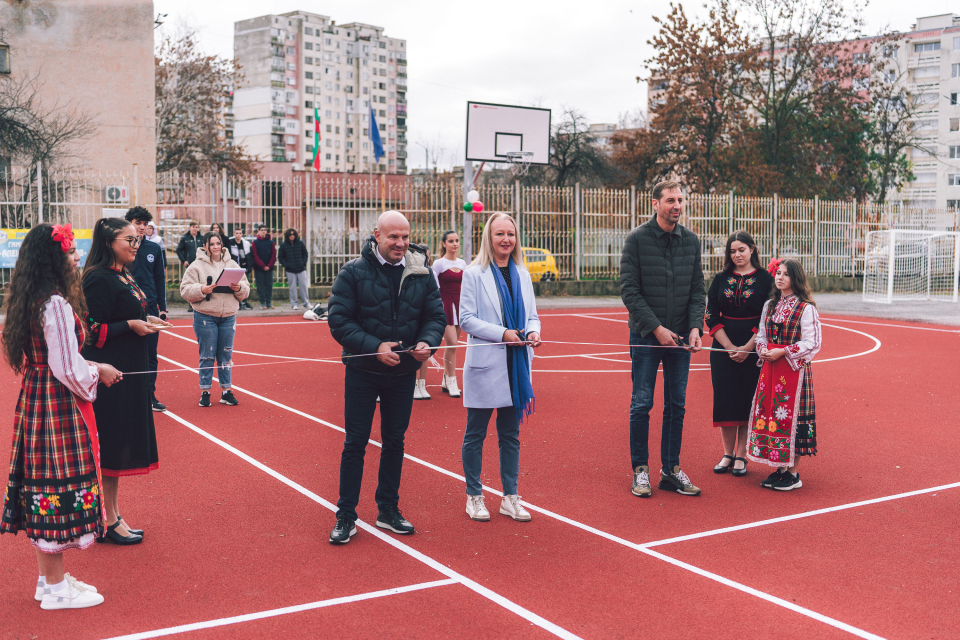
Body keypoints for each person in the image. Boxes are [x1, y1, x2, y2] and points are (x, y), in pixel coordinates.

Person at [0, 224, 122, 609]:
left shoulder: (32, 299)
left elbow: (55, 360)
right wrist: (97, 371)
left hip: (37, 396)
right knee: (54, 485)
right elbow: (67, 368)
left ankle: (48, 579)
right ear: (53, 259)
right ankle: (54, 588)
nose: (75, 258)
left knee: (42, 484)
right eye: (69, 252)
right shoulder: (54, 303)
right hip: (56, 403)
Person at [326, 210, 445, 544]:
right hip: (363, 371)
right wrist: (375, 347)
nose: (401, 243)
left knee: (395, 442)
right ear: (376, 235)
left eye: (405, 237)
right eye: (394, 237)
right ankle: (346, 515)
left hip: (403, 372)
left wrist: (427, 344)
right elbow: (339, 321)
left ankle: (387, 510)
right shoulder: (353, 271)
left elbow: (435, 315)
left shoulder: (420, 271)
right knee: (355, 443)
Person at [81, 217, 170, 545]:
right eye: (129, 240)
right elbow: (90, 326)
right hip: (110, 376)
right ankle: (106, 519)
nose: (136, 244)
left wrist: (142, 320)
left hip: (128, 370)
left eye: (138, 239)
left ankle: (111, 516)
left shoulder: (121, 274)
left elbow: (120, 313)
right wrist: (129, 325)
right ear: (109, 243)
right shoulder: (97, 279)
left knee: (116, 448)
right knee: (111, 446)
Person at [620, 180, 705, 498]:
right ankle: (640, 470)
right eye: (670, 200)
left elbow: (698, 289)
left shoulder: (691, 241)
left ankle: (670, 469)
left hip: (681, 337)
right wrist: (656, 329)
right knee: (642, 404)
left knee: (677, 405)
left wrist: (695, 327)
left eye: (681, 200)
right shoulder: (637, 240)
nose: (677, 206)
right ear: (654, 203)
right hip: (646, 335)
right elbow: (630, 291)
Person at [459, 213, 541, 522]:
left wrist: (533, 333)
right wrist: (503, 334)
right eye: (499, 234)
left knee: (510, 435)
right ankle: (474, 496)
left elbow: (532, 315)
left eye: (510, 234)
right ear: (488, 238)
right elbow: (466, 319)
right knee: (475, 434)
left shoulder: (522, 272)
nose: (506, 239)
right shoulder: (473, 273)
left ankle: (510, 497)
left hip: (516, 365)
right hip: (487, 363)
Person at [749, 258, 822, 491]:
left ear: (796, 278)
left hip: (793, 371)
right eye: (778, 273)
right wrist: (762, 348)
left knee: (792, 418)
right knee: (772, 415)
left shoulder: (805, 308)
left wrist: (784, 351)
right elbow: (761, 334)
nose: (780, 277)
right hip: (771, 370)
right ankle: (779, 467)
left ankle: (793, 472)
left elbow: (813, 342)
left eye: (786, 274)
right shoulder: (769, 305)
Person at [706, 231, 774, 477]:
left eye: (742, 250)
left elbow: (768, 317)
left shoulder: (767, 279)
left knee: (747, 399)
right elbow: (711, 315)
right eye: (733, 251)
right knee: (725, 400)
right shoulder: (720, 278)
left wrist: (747, 347)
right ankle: (727, 453)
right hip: (722, 347)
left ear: (752, 249)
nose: (737, 255)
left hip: (754, 346)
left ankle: (741, 455)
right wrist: (728, 346)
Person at [180, 232, 250, 407]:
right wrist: (202, 289)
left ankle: (226, 391)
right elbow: (185, 289)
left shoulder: (232, 264)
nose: (216, 247)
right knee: (207, 355)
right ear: (205, 246)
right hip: (205, 316)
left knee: (226, 355)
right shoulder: (196, 266)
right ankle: (205, 392)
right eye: (212, 244)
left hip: (228, 317)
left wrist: (239, 287)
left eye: (218, 243)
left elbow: (246, 289)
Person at [124, 207, 169, 412]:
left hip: (150, 306)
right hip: (127, 306)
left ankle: (150, 394)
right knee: (128, 351)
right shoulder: (120, 246)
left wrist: (163, 307)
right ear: (129, 223)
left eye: (145, 224)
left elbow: (159, 278)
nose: (141, 227)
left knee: (151, 353)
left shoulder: (153, 249)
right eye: (138, 223)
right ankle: (128, 394)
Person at [430, 231, 467, 399]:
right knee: (452, 343)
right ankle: (452, 380)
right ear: (444, 244)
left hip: (460, 304)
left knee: (453, 346)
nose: (455, 244)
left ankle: (446, 379)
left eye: (457, 240)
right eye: (451, 241)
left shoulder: (463, 263)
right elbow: (432, 286)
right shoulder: (438, 264)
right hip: (444, 304)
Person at [414, 243, 435, 399]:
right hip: (415, 315)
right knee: (413, 350)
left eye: (428, 255)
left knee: (425, 352)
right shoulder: (412, 272)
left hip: (426, 314)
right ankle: (414, 384)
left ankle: (422, 384)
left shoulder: (430, 273)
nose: (426, 258)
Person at [278, 227, 309, 310]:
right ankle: (294, 304)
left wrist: (303, 263)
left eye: (293, 234)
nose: (292, 236)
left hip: (301, 269)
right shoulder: (284, 245)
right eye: (290, 235)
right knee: (292, 288)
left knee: (304, 286)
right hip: (290, 270)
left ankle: (306, 303)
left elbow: (305, 254)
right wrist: (286, 265)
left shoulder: (300, 243)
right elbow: (280, 257)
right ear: (287, 236)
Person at [228, 227, 254, 310]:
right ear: (234, 234)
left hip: (244, 268)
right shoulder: (230, 243)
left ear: (242, 234)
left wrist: (249, 267)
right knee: (235, 286)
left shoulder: (246, 244)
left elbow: (249, 256)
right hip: (235, 269)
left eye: (240, 233)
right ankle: (237, 303)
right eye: (237, 233)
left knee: (244, 285)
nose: (238, 235)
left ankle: (244, 302)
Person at [251, 225, 277, 310]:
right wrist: (263, 266)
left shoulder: (271, 242)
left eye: (265, 230)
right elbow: (255, 255)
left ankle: (268, 302)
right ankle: (262, 302)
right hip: (259, 269)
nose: (263, 232)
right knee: (260, 286)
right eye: (261, 230)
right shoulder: (255, 242)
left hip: (269, 268)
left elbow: (273, 254)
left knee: (269, 285)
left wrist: (269, 266)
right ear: (258, 231)